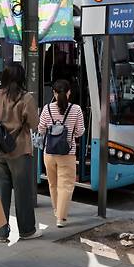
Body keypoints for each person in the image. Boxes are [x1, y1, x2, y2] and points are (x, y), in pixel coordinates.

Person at [0, 63, 41, 242]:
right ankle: (27, 231)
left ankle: (0, 234)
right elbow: (35, 124)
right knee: (22, 193)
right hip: (20, 151)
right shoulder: (26, 99)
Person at [38, 79, 85, 228]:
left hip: (49, 153)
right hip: (67, 154)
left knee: (53, 184)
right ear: (69, 92)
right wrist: (69, 134)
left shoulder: (47, 109)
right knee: (65, 185)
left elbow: (41, 129)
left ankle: (56, 210)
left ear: (54, 93)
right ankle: (61, 217)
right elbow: (80, 131)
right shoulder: (76, 109)